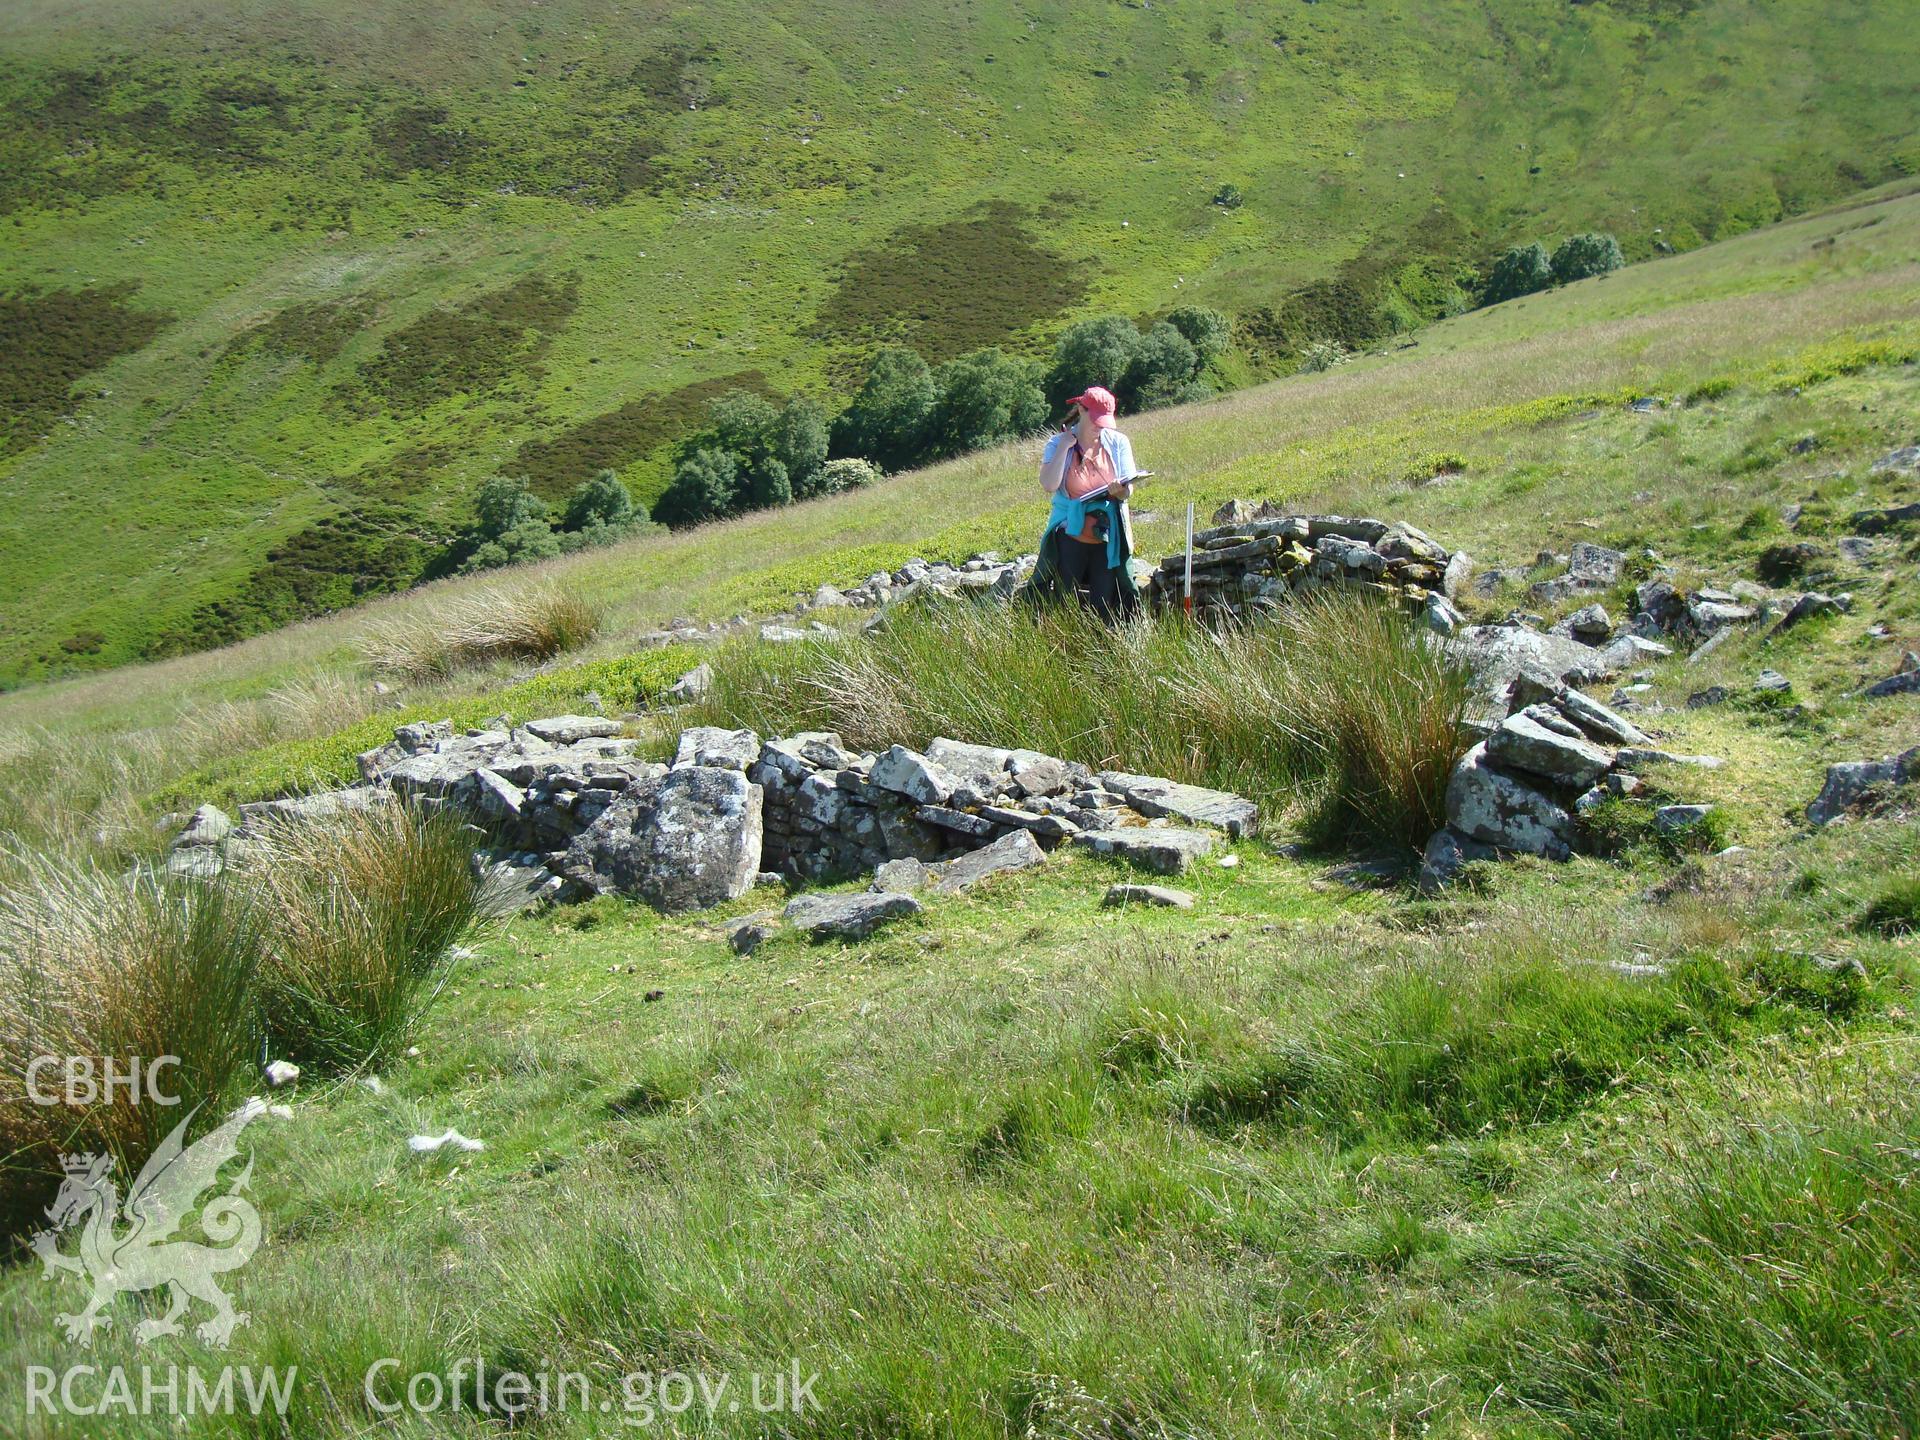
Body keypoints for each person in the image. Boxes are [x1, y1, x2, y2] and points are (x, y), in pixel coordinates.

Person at [1025, 385, 1141, 618]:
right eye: (1096, 419)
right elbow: (1049, 484)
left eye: (1105, 421)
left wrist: (1119, 490)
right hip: (1069, 534)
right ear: (1081, 410)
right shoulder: (1058, 443)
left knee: (1105, 605)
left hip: (1107, 536)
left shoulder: (1118, 442)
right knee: (1063, 601)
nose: (1101, 426)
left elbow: (1128, 491)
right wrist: (1064, 447)